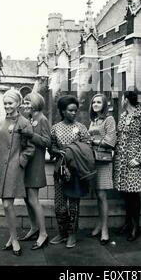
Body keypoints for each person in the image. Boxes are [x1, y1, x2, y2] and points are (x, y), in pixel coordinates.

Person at [0, 89, 35, 256]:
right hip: (1, 168)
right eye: (5, 103)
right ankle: (12, 237)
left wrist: (20, 161)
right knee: (6, 205)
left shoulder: (24, 122)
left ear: (18, 104)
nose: (7, 106)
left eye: (10, 103)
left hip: (15, 167)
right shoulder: (1, 122)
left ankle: (14, 240)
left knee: (7, 204)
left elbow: (30, 147)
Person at [49, 95, 91, 249]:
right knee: (59, 203)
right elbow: (51, 148)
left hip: (76, 170)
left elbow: (88, 147)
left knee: (73, 203)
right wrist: (58, 151)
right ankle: (62, 232)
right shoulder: (55, 128)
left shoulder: (81, 128)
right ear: (62, 111)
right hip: (60, 169)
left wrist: (74, 151)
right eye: (70, 110)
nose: (74, 113)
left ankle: (72, 234)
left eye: (75, 110)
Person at [113, 90, 141, 242]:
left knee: (134, 195)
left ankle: (135, 227)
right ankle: (128, 223)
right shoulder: (123, 116)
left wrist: (139, 159)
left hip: (134, 162)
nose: (121, 101)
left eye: (122, 99)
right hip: (122, 161)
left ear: (126, 100)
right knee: (126, 193)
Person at [19, 92, 51, 249]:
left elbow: (47, 142)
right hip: (28, 163)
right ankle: (34, 227)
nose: (25, 106)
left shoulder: (42, 119)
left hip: (36, 164)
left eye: (27, 103)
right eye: (24, 103)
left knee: (33, 198)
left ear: (36, 103)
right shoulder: (31, 119)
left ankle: (43, 233)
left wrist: (31, 135)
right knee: (27, 198)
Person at [88, 94, 117, 245]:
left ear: (104, 104)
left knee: (102, 195)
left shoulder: (109, 119)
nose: (95, 104)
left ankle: (105, 229)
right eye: (94, 102)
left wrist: (92, 140)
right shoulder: (93, 120)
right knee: (98, 195)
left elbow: (110, 141)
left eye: (99, 102)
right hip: (93, 160)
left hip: (104, 161)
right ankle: (100, 224)